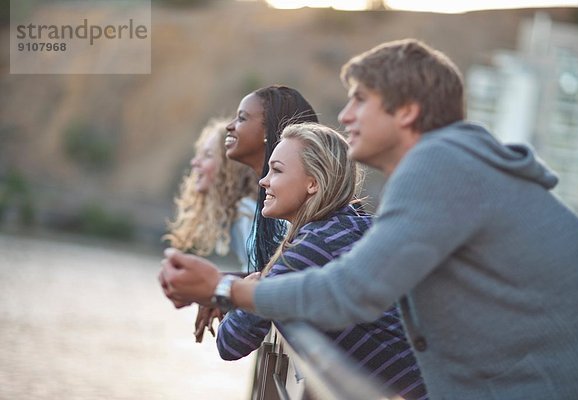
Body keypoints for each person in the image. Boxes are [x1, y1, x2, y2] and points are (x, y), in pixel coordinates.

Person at [160, 39, 578, 400]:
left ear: (405, 111)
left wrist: (225, 288)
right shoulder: (452, 168)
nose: (345, 115)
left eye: (360, 100)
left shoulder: (440, 166)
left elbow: (351, 291)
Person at [216, 122, 427, 398]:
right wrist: (251, 285)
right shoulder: (350, 226)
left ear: (313, 183)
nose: (263, 181)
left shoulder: (316, 246)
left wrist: (240, 292)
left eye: (277, 170)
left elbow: (230, 343)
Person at [224, 85, 319, 273]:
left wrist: (223, 287)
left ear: (269, 130)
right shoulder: (269, 195)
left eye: (242, 118)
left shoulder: (298, 208)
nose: (230, 126)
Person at [164, 118, 257, 267]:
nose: (195, 162)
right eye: (198, 154)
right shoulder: (235, 213)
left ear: (228, 167)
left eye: (207, 155)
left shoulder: (246, 214)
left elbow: (264, 273)